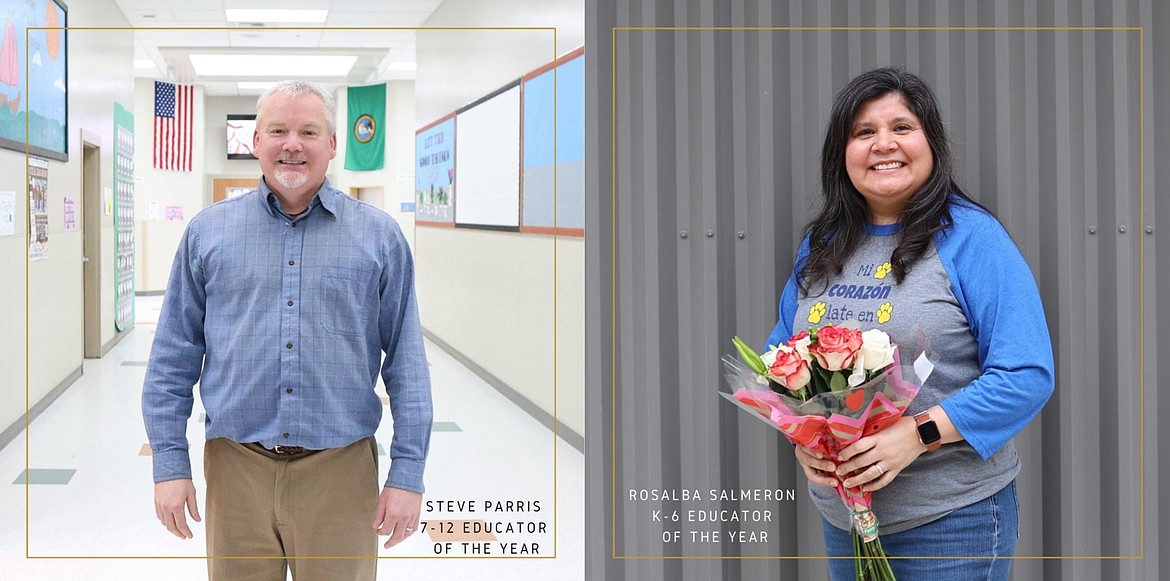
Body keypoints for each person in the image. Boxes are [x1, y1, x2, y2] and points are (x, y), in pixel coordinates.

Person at [765, 67, 1054, 580]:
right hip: (845, 521)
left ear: (931, 143)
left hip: (951, 524)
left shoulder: (972, 239)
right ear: (843, 153)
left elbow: (1025, 374)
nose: (883, 144)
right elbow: (781, 357)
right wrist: (804, 439)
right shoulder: (823, 245)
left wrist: (917, 434)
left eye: (902, 127)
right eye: (863, 132)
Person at [142, 80, 433, 581]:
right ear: (256, 142)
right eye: (277, 130)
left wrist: (407, 473)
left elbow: (406, 362)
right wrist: (170, 463)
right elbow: (173, 355)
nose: (292, 144)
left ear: (332, 145)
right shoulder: (207, 234)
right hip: (236, 468)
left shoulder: (379, 237)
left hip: (340, 471)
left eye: (308, 131)